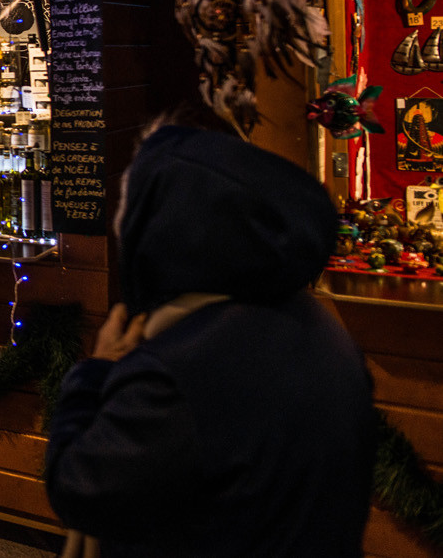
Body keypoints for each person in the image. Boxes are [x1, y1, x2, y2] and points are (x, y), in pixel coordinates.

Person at [44, 119, 374, 557]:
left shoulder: (178, 369)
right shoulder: (311, 321)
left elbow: (80, 490)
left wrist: (95, 372)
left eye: (132, 203)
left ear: (172, 226)